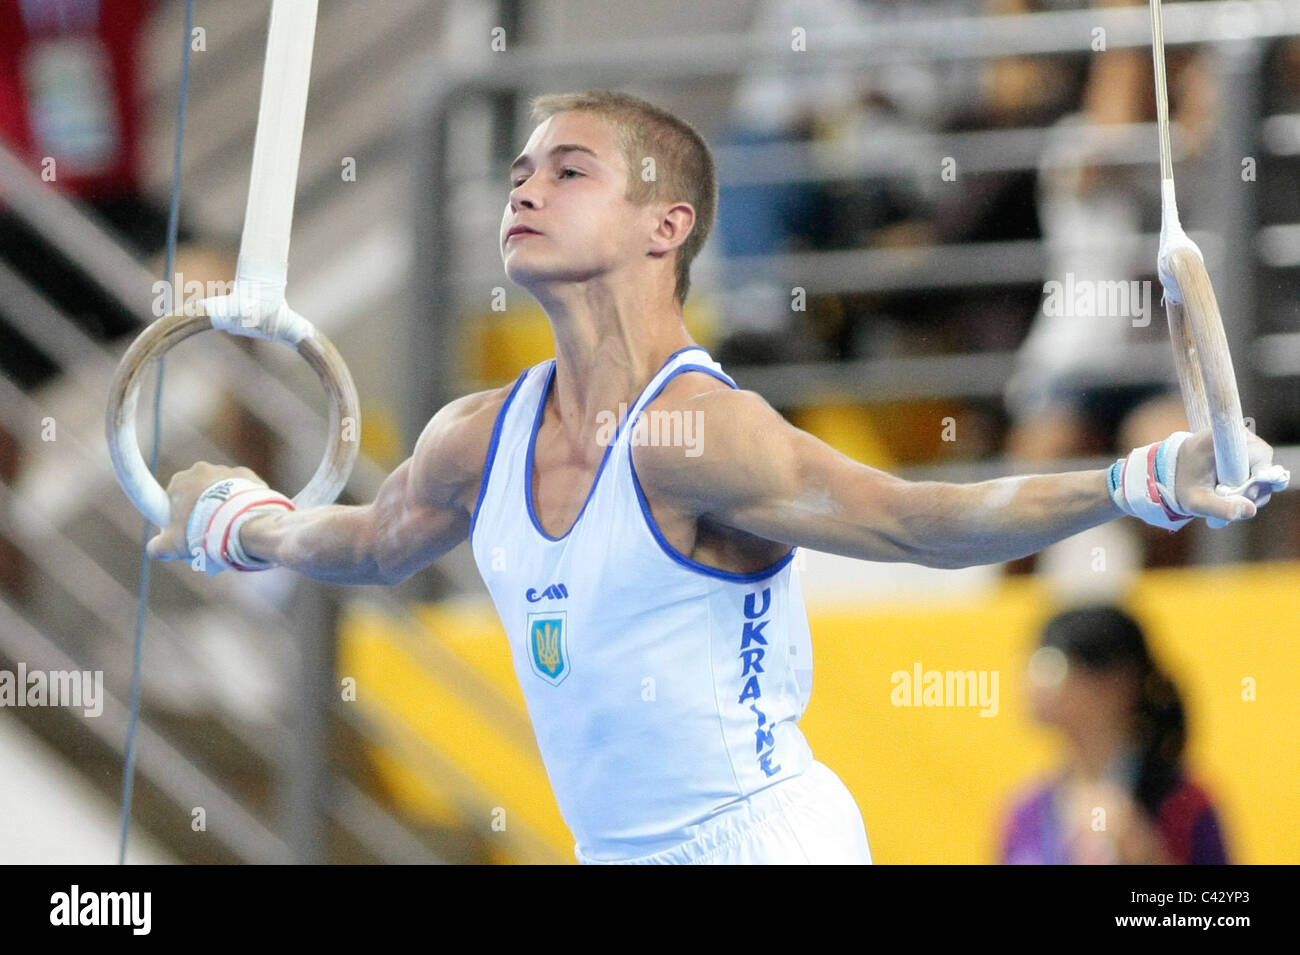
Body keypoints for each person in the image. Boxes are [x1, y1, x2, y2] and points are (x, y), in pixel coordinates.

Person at [144, 89, 1287, 865]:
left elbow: (915, 519)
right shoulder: (472, 437)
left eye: (570, 169)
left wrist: (1144, 478)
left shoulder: (700, 434)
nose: (524, 190)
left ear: (666, 225)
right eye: (520, 170)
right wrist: (245, 523)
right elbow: (375, 539)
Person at [1001, 604, 1230, 864]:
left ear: (1118, 682)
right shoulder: (1026, 812)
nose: (1033, 683)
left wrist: (1148, 856)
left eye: (1052, 667)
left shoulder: (1183, 803)